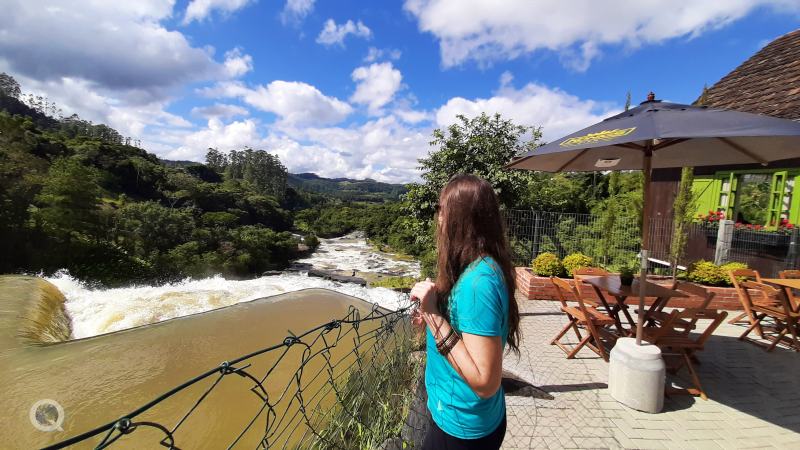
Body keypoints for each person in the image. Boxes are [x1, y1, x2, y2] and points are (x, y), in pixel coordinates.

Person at [410, 174, 521, 450]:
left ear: (461, 218)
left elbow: (485, 382)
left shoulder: (477, 283)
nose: (438, 218)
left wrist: (435, 318)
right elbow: (467, 331)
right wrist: (432, 312)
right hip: (470, 418)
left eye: (442, 209)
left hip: (461, 426)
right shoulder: (483, 266)